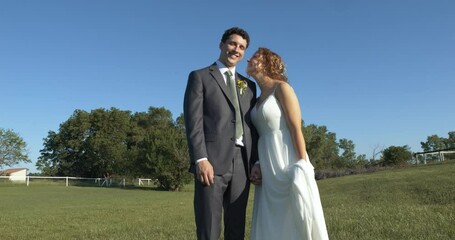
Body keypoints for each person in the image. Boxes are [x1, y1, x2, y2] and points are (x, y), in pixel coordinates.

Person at [183, 27, 258, 240]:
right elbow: (193, 122)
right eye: (233, 44)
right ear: (221, 44)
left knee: (236, 227)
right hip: (212, 161)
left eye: (242, 47)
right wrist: (200, 158)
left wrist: (256, 162)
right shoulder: (200, 77)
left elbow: (253, 127)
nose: (236, 50)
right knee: (209, 227)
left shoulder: (250, 86)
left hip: (243, 163)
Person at [247, 48, 329, 240]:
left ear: (268, 63)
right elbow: (259, 135)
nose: (249, 59)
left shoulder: (282, 88)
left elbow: (295, 128)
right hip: (268, 165)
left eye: (256, 57)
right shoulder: (256, 98)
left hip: (288, 159)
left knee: (295, 213)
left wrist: (302, 164)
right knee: (271, 218)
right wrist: (258, 163)